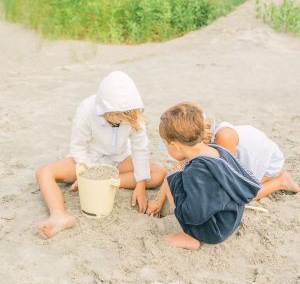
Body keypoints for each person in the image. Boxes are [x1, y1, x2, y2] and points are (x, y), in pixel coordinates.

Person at [36, 71, 166, 239]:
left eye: (122, 118)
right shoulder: (87, 108)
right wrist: (87, 175)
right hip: (89, 159)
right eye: (114, 118)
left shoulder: (133, 113)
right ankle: (58, 215)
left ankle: (107, 183)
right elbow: (78, 147)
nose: (119, 121)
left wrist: (140, 184)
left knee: (159, 173)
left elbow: (140, 149)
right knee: (43, 173)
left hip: (119, 159)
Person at [157, 102, 299, 250]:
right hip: (231, 219)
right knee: (180, 178)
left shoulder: (196, 172)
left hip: (214, 231)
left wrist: (176, 184)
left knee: (171, 179)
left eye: (166, 144)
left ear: (176, 146)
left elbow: (194, 215)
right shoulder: (217, 150)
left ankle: (187, 237)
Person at [146, 107, 299, 215]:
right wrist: (159, 199)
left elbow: (229, 177)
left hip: (264, 159)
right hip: (241, 158)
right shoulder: (197, 144)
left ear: (177, 145)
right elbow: (179, 167)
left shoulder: (223, 138)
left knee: (246, 195)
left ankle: (281, 181)